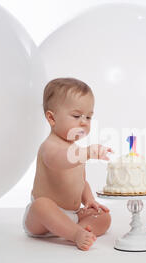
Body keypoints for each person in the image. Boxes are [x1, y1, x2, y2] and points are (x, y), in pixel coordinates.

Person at [23, 78, 112, 251]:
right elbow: (59, 161)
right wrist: (87, 153)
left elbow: (81, 182)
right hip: (41, 220)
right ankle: (75, 234)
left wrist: (89, 200)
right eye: (77, 116)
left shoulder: (76, 150)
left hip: (72, 215)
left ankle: (80, 229)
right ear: (51, 118)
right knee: (41, 205)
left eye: (89, 117)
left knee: (104, 217)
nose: (84, 122)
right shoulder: (50, 146)